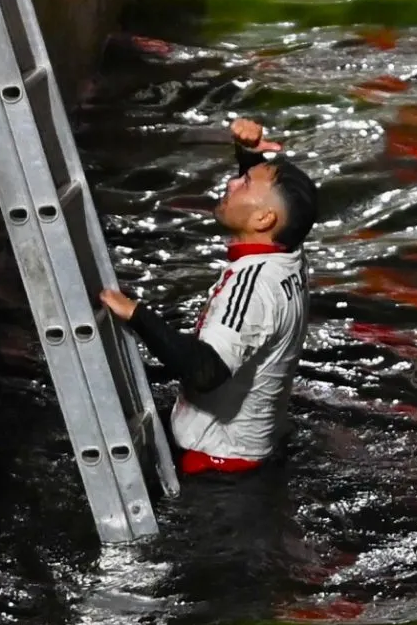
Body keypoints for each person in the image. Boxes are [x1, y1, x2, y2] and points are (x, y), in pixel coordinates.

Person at [99, 118, 318, 476]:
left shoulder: (253, 286)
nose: (231, 183)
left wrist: (137, 315)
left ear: (264, 219)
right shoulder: (288, 253)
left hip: (218, 464)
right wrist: (249, 157)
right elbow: (279, 210)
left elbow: (206, 370)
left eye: (243, 183)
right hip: (255, 449)